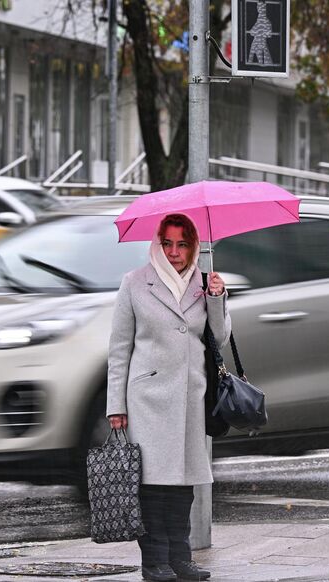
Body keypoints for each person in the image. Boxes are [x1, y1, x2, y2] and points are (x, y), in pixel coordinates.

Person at [106, 213, 230, 582]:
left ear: (193, 246)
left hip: (191, 398)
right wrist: (116, 405)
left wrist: (217, 298)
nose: (175, 252)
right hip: (148, 399)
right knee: (152, 485)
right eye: (168, 244)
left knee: (183, 486)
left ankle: (181, 559)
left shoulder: (205, 282)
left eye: (183, 244)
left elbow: (219, 338)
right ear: (157, 244)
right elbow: (119, 348)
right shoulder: (134, 283)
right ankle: (154, 562)